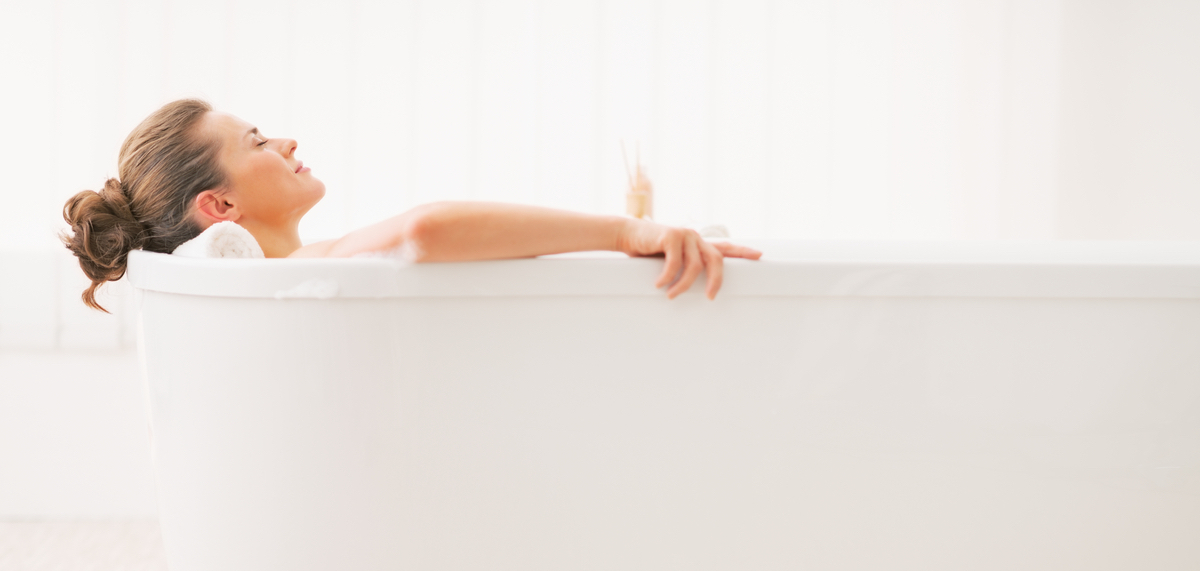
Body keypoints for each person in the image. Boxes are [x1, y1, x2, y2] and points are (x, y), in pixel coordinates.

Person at [61, 99, 762, 313]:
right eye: (257, 141)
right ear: (221, 205)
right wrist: (625, 230)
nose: (287, 139)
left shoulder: (283, 283)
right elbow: (423, 231)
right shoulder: (300, 268)